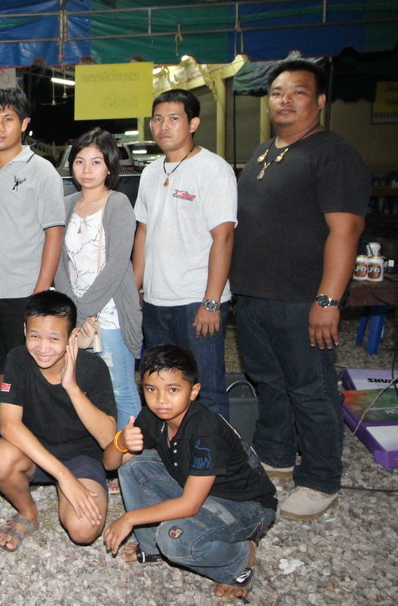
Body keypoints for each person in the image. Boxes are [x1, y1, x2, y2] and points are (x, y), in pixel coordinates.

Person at [231, 58, 369, 520]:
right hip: (255, 294)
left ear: (321, 101)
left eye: (298, 92)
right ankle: (276, 454)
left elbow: (346, 231)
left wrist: (328, 300)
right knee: (269, 381)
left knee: (311, 389)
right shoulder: (263, 152)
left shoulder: (333, 154)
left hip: (302, 298)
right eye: (277, 93)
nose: (285, 100)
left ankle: (321, 478)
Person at [103, 345, 277, 600]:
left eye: (173, 389)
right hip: (202, 491)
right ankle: (151, 548)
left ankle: (240, 561)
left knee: (174, 540)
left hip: (247, 505)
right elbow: (111, 465)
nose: (161, 399)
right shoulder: (153, 417)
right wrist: (119, 442)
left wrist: (129, 518)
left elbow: (190, 504)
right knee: (134, 464)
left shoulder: (205, 433)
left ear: (193, 391)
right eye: (152, 389)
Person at [132, 89, 236, 418]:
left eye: (173, 118)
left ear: (193, 124)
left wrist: (211, 302)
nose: (163, 126)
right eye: (157, 119)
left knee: (205, 389)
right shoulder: (150, 173)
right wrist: (134, 290)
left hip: (196, 302)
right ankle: (174, 446)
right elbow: (143, 233)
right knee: (162, 387)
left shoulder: (213, 169)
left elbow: (223, 237)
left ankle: (213, 451)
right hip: (156, 303)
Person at [0, 290, 117, 552]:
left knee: (84, 530)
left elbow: (108, 439)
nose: (43, 347)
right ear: (25, 330)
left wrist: (72, 387)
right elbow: (9, 425)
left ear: (72, 337)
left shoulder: (93, 368)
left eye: (54, 338)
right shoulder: (18, 359)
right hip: (35, 454)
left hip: (82, 457)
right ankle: (28, 512)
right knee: (0, 457)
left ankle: (69, 489)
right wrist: (63, 476)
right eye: (35, 336)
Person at [0, 88, 64, 388]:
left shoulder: (42, 171)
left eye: (8, 119)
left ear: (24, 123)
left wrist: (41, 291)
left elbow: (54, 232)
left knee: (31, 371)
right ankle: (6, 416)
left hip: (24, 291)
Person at [55, 128, 142, 427]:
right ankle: (100, 450)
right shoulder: (66, 205)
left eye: (96, 162)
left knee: (121, 390)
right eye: (80, 161)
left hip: (111, 314)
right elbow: (59, 263)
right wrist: (73, 310)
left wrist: (83, 311)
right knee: (83, 389)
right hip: (75, 312)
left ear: (109, 166)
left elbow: (117, 266)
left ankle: (129, 454)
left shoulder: (118, 204)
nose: (87, 169)